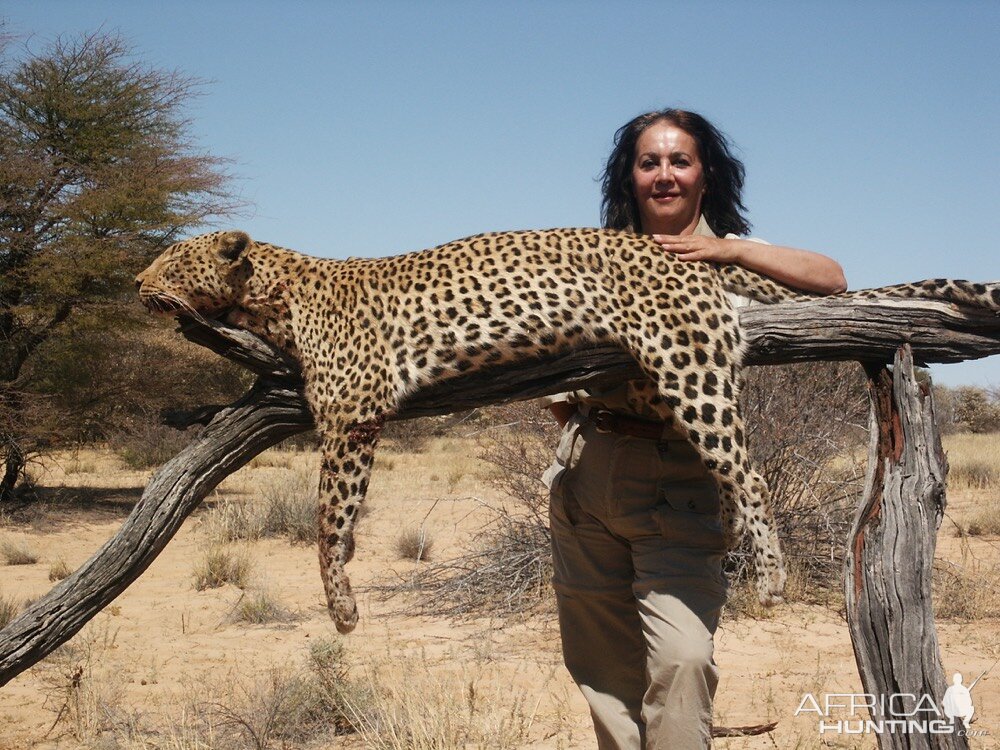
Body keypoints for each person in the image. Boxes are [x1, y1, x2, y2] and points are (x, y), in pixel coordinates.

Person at [543, 108, 847, 749]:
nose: (664, 175)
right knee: (603, 673)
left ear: (706, 175)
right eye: (648, 162)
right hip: (587, 473)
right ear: (629, 178)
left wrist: (727, 248)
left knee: (683, 660)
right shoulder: (595, 256)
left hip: (679, 484)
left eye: (679, 161)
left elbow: (834, 281)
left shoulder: (733, 256)